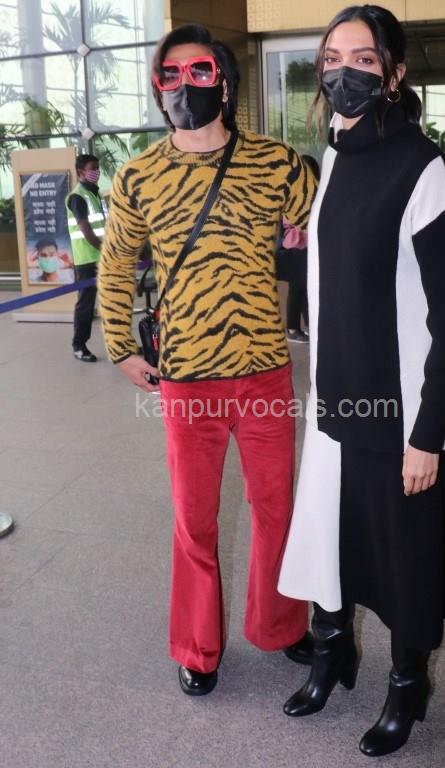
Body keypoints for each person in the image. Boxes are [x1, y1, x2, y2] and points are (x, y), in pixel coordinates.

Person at [277, 5, 445, 757]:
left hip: (398, 408)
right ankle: (332, 652)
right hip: (336, 396)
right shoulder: (331, 157)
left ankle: (406, 684)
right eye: (332, 58)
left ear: (394, 74)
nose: (344, 73)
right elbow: (333, 276)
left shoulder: (423, 168)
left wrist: (429, 434)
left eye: (363, 59)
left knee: (404, 558)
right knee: (330, 535)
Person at [98, 24, 317, 697]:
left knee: (276, 509)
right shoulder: (139, 175)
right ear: (157, 87)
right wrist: (120, 346)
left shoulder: (277, 163)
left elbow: (334, 225)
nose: (183, 85)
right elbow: (115, 264)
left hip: (263, 371)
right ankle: (197, 646)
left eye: (198, 71)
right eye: (169, 75)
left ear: (223, 81)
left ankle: (280, 624)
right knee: (194, 522)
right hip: (187, 378)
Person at [276, 155, 320, 343]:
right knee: (298, 288)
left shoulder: (314, 190)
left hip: (307, 246)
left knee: (304, 287)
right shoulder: (292, 191)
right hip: (296, 246)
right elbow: (290, 219)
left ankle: (309, 326)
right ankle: (293, 329)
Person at [66, 154, 105, 362]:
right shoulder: (78, 197)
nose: (97, 172)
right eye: (93, 168)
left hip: (103, 258)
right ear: (81, 171)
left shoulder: (96, 194)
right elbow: (85, 228)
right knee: (86, 305)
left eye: (98, 168)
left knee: (113, 301)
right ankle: (79, 346)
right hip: (88, 259)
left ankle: (122, 344)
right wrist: (105, 250)